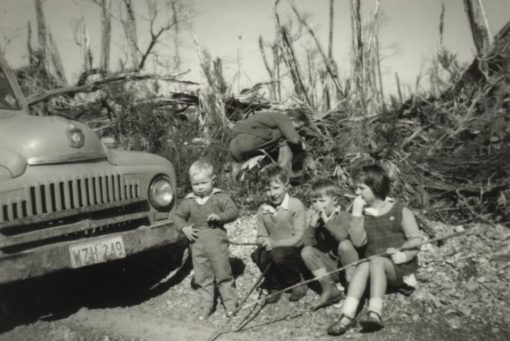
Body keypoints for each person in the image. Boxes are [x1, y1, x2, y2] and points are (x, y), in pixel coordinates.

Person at [327, 164, 422, 335]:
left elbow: (415, 240)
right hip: (375, 268)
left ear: (376, 187)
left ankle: (375, 312)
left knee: (375, 260)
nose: (357, 192)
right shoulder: (363, 212)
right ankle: (347, 316)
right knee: (364, 264)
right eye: (356, 188)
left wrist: (405, 255)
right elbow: (357, 242)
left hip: (398, 269)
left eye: (361, 188)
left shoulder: (401, 211)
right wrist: (356, 214)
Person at [173, 159, 239, 319]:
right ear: (191, 183)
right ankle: (207, 305)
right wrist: (184, 228)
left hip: (216, 240)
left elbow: (233, 211)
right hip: (197, 244)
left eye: (204, 182)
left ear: (213, 180)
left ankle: (230, 303)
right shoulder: (188, 201)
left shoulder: (219, 197)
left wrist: (220, 216)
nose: (200, 187)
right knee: (202, 276)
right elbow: (177, 216)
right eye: (196, 184)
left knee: (223, 272)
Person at [250, 164, 308, 303]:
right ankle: (276, 285)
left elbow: (299, 238)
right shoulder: (263, 209)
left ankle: (296, 282)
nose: (273, 193)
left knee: (278, 254)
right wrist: (262, 241)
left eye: (276, 188)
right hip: (275, 250)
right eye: (267, 190)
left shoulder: (295, 205)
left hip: (294, 251)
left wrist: (275, 244)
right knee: (257, 255)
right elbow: (261, 234)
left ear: (286, 185)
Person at [301, 178, 360, 310]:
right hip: (332, 268)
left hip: (348, 266)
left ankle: (353, 287)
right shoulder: (318, 221)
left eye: (322, 201)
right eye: (314, 202)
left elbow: (341, 236)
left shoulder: (344, 216)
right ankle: (329, 289)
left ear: (334, 201)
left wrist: (327, 222)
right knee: (307, 252)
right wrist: (312, 225)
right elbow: (306, 243)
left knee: (344, 245)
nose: (317, 205)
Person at [229, 109, 313, 179]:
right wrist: (303, 145)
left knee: (238, 170)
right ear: (292, 120)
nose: (296, 131)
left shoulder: (269, 117)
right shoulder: (283, 118)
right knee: (285, 139)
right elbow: (294, 139)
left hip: (234, 145)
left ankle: (235, 185)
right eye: (297, 128)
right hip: (250, 143)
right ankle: (282, 174)